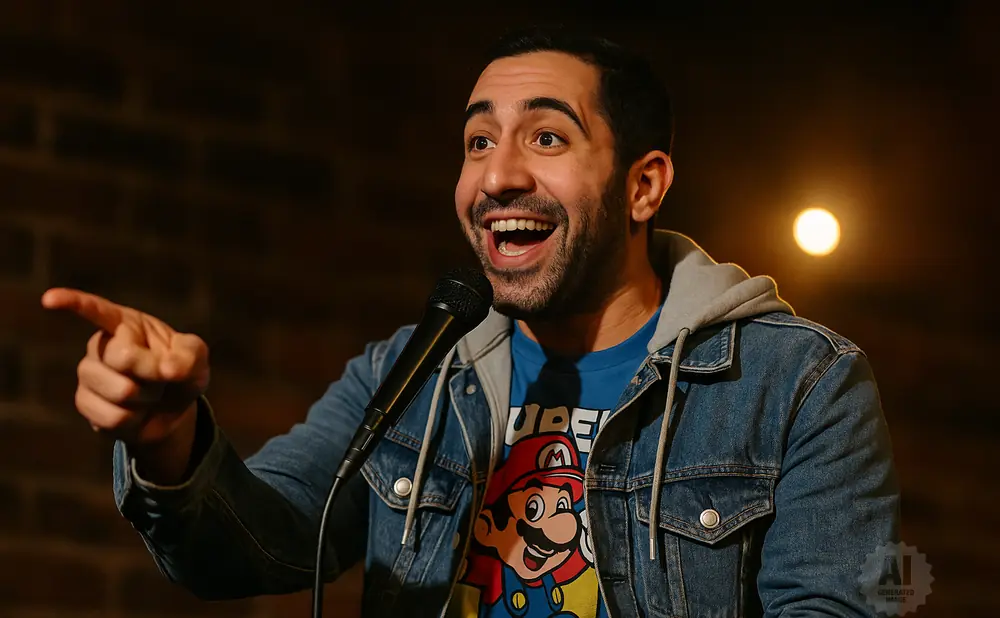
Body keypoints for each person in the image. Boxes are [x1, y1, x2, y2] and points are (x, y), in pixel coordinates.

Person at [41, 26, 899, 618]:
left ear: (643, 186)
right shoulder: (412, 374)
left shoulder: (795, 385)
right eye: (479, 142)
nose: (496, 177)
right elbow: (258, 548)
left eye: (548, 140)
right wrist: (168, 437)